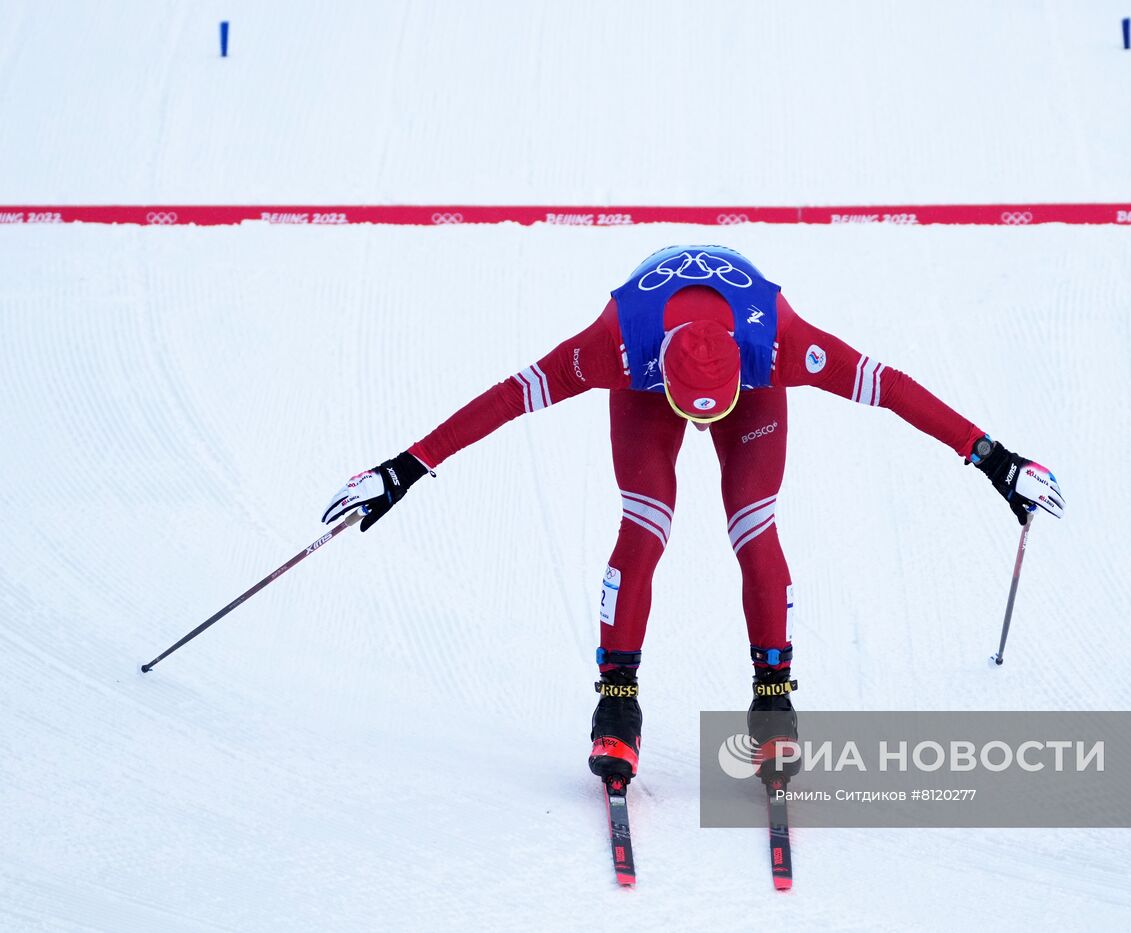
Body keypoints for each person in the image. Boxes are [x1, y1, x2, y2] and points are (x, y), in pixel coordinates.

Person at [322, 245, 1063, 788]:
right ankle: (618, 702)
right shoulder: (613, 345)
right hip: (645, 383)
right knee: (644, 527)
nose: (702, 423)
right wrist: (404, 468)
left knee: (754, 526)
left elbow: (892, 387)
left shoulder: (782, 342)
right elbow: (509, 397)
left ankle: (773, 698)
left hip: (750, 380)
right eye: (693, 410)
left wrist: (995, 458)